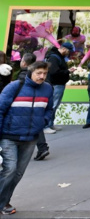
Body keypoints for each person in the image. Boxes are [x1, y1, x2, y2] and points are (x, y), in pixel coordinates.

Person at [0, 60, 55, 216]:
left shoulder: (47, 89)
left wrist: (42, 123)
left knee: (18, 173)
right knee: (9, 169)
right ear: (31, 72)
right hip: (9, 135)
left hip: (31, 137)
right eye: (39, 73)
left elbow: (49, 109)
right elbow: (0, 109)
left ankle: (4, 201)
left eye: (44, 73)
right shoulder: (14, 87)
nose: (42, 76)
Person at [43, 41, 73, 134]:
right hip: (55, 84)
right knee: (52, 105)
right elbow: (53, 72)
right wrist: (67, 71)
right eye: (69, 51)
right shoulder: (54, 58)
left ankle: (50, 124)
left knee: (54, 105)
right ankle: (46, 126)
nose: (69, 53)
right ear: (64, 49)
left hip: (57, 84)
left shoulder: (57, 57)